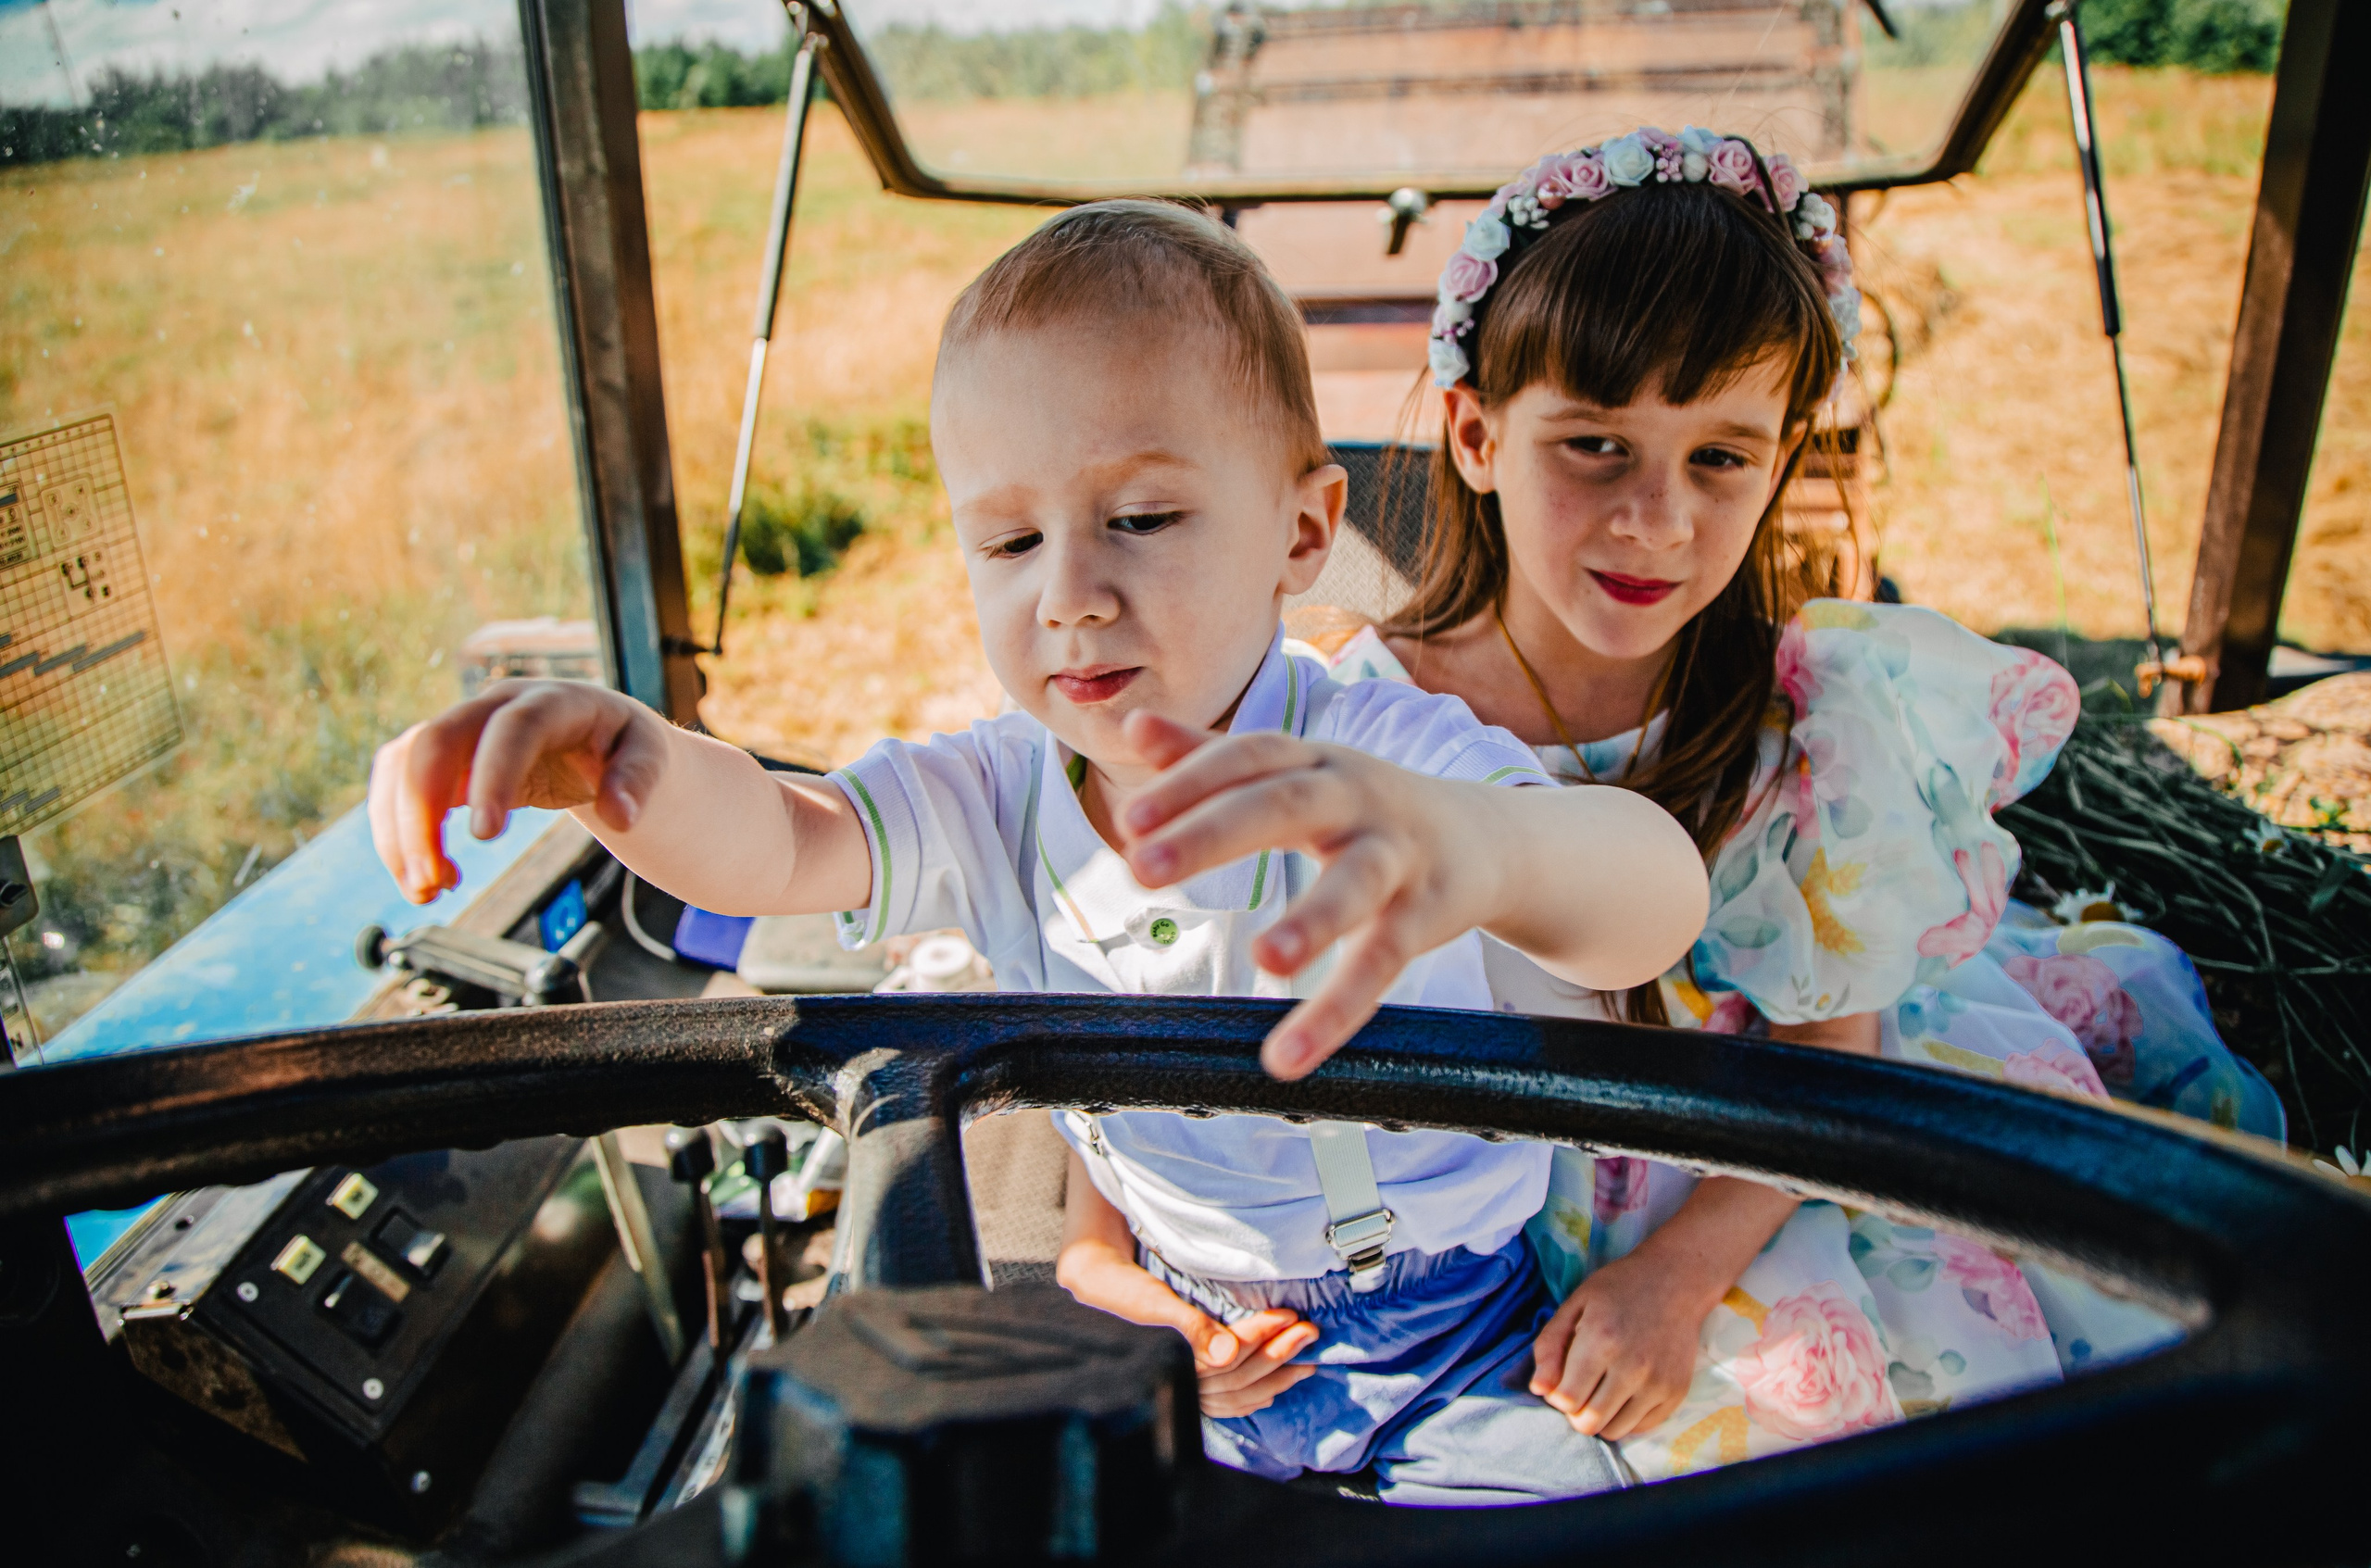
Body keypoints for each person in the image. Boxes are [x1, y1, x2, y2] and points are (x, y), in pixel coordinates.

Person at [367, 200, 1711, 1503]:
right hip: (1174, 1337)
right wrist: (630, 771)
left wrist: (1493, 849)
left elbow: (1647, 901)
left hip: (1454, 1332)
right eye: (1010, 539)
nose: (1068, 594)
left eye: (1141, 519)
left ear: (1303, 533)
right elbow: (782, 840)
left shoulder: (1391, 760)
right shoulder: (989, 795)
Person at [1319, 127, 2284, 1480]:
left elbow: (1835, 1042)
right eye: (1595, 445)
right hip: (1491, 1200)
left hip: (1775, 1152)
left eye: (1721, 457)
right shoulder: (1361, 718)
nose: (1657, 520)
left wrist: (1680, 1272)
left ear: (1780, 458)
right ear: (1477, 436)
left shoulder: (1805, 716)